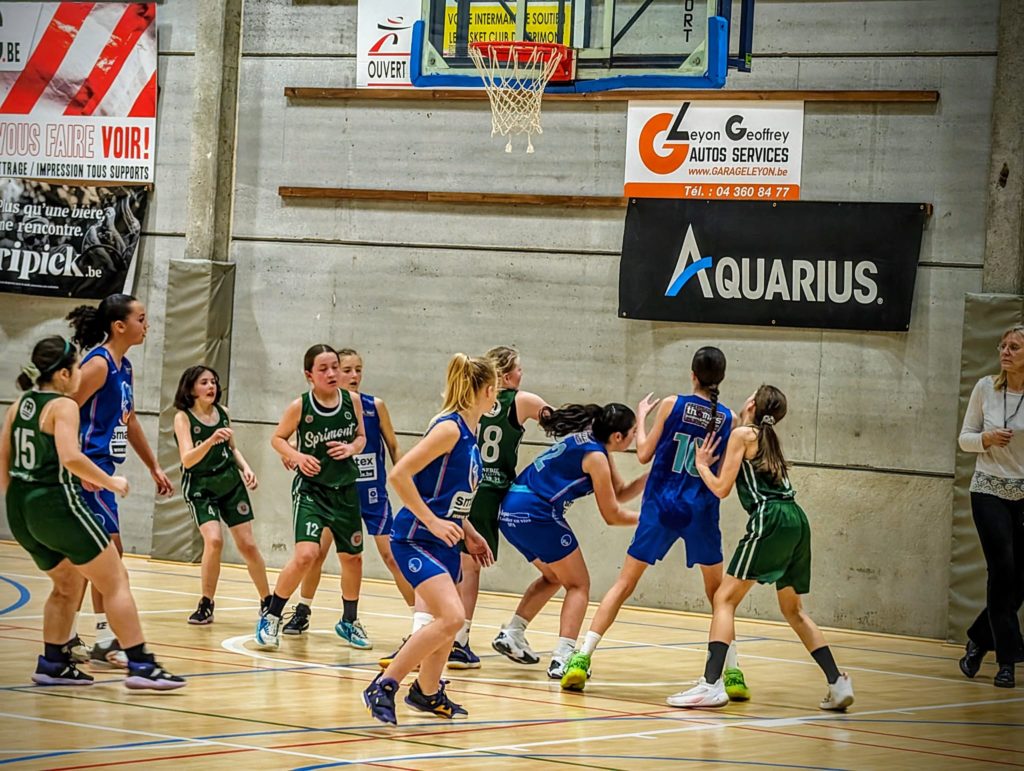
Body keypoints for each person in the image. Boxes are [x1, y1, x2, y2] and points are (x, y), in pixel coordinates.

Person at [560, 346, 747, 695]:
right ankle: (733, 673)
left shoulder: (672, 404)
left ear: (692, 374)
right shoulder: (730, 420)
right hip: (701, 510)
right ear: (721, 378)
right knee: (719, 597)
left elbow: (644, 454)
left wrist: (643, 416)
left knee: (624, 584)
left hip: (661, 505)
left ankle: (581, 658)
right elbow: (723, 474)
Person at [0, 336, 185, 690]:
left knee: (67, 583)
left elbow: (4, 461)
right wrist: (111, 481)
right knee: (115, 579)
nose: (80, 374)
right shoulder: (63, 406)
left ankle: (53, 663)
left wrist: (22, 504)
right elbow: (71, 457)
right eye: (76, 368)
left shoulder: (20, 404)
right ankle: (141, 665)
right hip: (55, 504)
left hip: (20, 509)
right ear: (63, 374)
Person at [667, 385, 853, 710]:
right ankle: (837, 682)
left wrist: (701, 465)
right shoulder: (769, 440)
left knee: (723, 599)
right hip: (797, 520)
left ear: (752, 403)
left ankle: (710, 685)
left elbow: (722, 488)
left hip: (770, 518)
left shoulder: (743, 435)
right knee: (793, 611)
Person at [362, 354, 496, 725]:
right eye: (496, 389)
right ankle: (384, 685)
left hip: (445, 541)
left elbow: (448, 494)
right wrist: (433, 522)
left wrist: (470, 532)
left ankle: (427, 691)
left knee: (447, 621)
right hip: (416, 538)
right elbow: (399, 475)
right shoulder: (449, 428)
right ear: (487, 390)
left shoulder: (469, 432)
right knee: (453, 616)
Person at [493, 403, 646, 678]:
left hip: (510, 510)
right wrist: (650, 520)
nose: (636, 437)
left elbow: (620, 492)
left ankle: (513, 632)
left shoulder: (591, 439)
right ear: (618, 436)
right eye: (634, 432)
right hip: (536, 512)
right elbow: (612, 515)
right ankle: (562, 657)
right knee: (579, 584)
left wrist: (651, 478)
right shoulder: (596, 457)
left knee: (554, 577)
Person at [66, 294, 173, 668]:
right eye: (141, 318)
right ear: (119, 325)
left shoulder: (123, 367)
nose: (147, 325)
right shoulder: (97, 365)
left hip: (104, 472)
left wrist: (153, 465)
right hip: (88, 471)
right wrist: (75, 467)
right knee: (108, 553)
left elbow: (129, 420)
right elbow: (64, 410)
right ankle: (103, 639)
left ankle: (74, 637)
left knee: (89, 558)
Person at [281, 348, 414, 637]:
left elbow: (393, 445)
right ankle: (303, 610)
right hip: (336, 490)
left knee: (393, 556)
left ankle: (420, 620)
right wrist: (291, 453)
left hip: (372, 493)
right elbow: (295, 439)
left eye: (358, 370)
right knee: (316, 554)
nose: (354, 376)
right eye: (347, 370)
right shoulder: (317, 406)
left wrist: (407, 484)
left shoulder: (373, 405)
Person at [255, 344, 370, 651]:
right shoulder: (301, 406)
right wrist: (297, 456)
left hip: (345, 490)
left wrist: (351, 448)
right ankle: (272, 615)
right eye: (324, 369)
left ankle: (349, 621)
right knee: (306, 555)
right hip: (312, 490)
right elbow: (277, 438)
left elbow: (361, 437)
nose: (332, 373)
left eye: (335, 367)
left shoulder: (352, 401)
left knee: (353, 558)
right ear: (309, 375)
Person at [453, 345, 548, 668]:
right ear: (506, 376)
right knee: (469, 569)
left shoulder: (471, 398)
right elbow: (558, 421)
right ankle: (458, 640)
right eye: (519, 369)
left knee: (456, 564)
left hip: (465, 485)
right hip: (491, 491)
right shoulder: (521, 400)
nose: (522, 374)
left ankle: (442, 632)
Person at [172, 365, 271, 624]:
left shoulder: (223, 413)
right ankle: (206, 602)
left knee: (248, 544)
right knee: (214, 541)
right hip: (200, 486)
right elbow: (187, 459)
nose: (211, 387)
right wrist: (211, 439)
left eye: (213, 382)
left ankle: (268, 601)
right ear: (191, 388)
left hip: (230, 483)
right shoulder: (183, 418)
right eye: (204, 382)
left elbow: (232, 449)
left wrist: (246, 468)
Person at [958, 324, 1024, 689]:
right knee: (1002, 571)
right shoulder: (986, 387)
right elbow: (964, 439)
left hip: (1023, 492)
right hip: (988, 488)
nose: (1005, 352)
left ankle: (979, 640)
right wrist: (985, 438)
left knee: (1019, 582)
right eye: (1003, 346)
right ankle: (1007, 661)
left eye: (1014, 347)